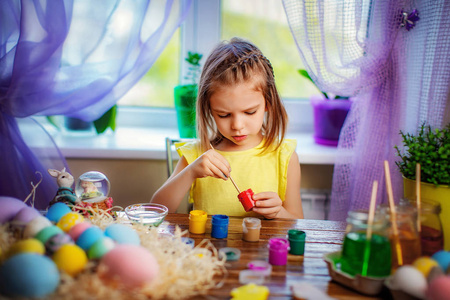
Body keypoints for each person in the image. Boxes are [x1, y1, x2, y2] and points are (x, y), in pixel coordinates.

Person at [151, 37, 303, 219]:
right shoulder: (198, 156)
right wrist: (190, 172)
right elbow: (155, 211)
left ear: (268, 103)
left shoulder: (284, 156)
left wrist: (278, 212)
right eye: (224, 115)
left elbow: (297, 222)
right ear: (209, 109)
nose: (237, 126)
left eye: (250, 112)